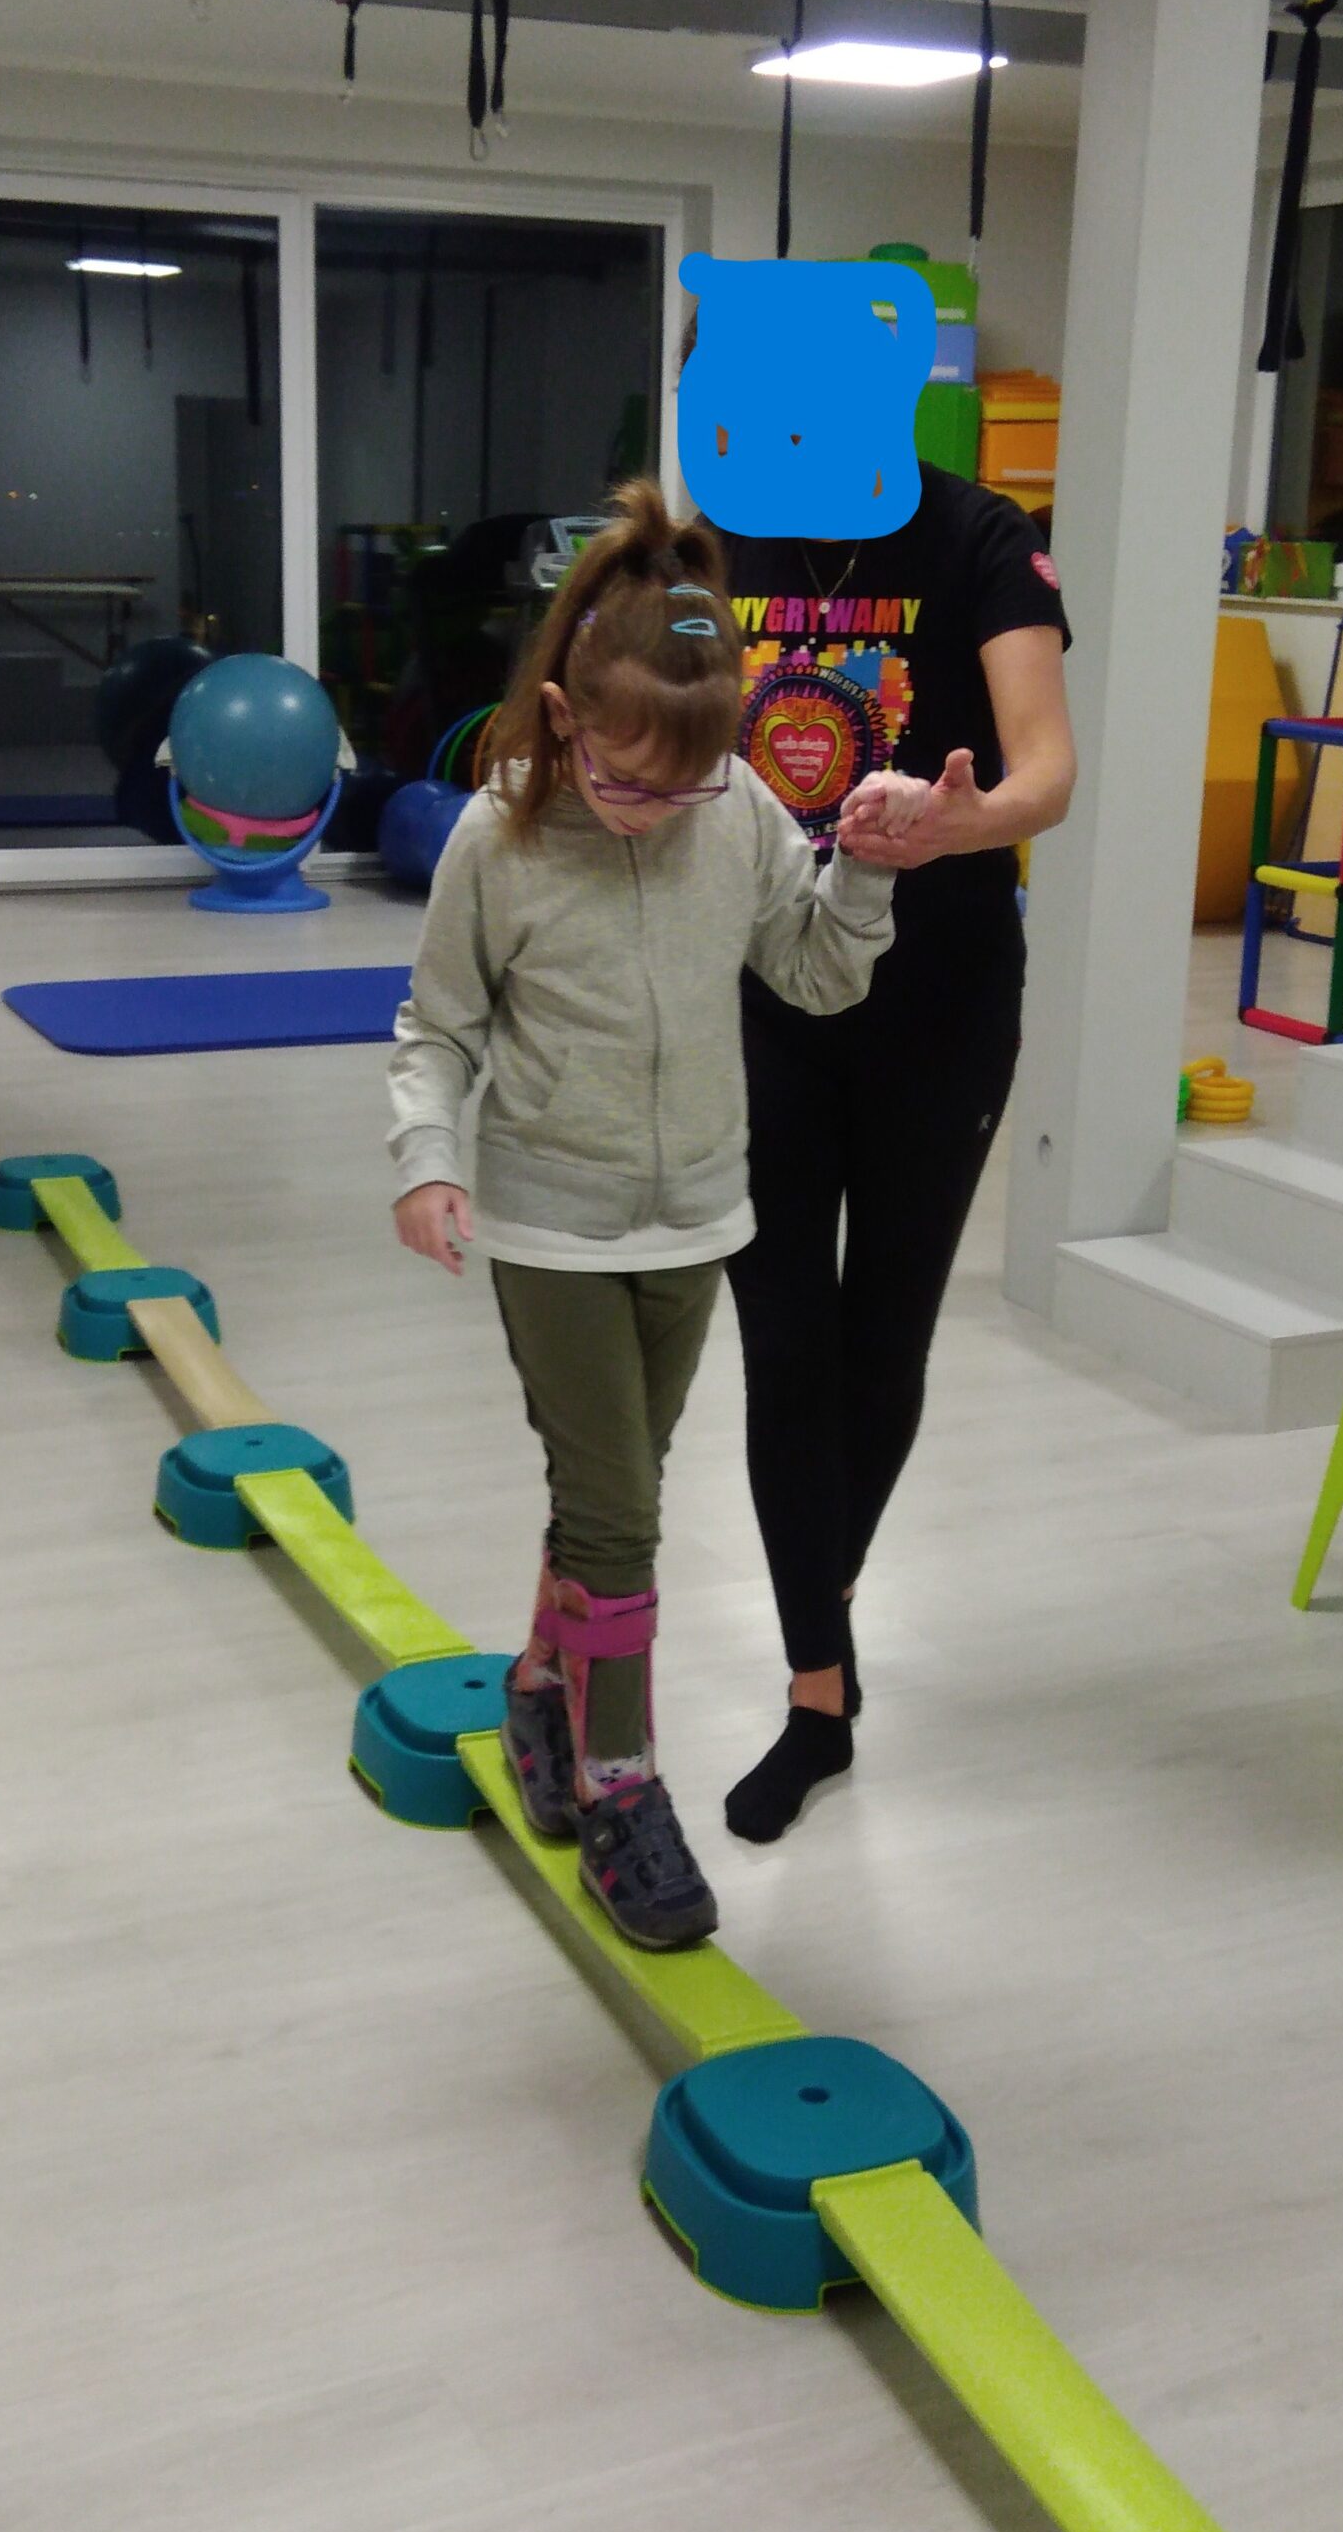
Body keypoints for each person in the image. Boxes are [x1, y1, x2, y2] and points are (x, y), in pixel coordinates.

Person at [387, 481, 903, 1953]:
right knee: (622, 1519)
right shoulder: (495, 839)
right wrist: (427, 1159)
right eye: (627, 781)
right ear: (564, 715)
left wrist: (865, 867)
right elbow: (437, 1027)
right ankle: (620, 1783)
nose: (658, 810)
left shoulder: (731, 810)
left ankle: (540, 1690)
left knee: (608, 1492)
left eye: (689, 784)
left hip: (697, 1222)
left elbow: (816, 973)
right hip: (550, 1225)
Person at [713, 459, 1077, 1845]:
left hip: (942, 1001)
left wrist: (971, 821)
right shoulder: (717, 540)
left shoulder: (979, 534)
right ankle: (819, 1693)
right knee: (783, 1342)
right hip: (765, 996)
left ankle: (826, 1600)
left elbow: (1047, 768)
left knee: (883, 1338)